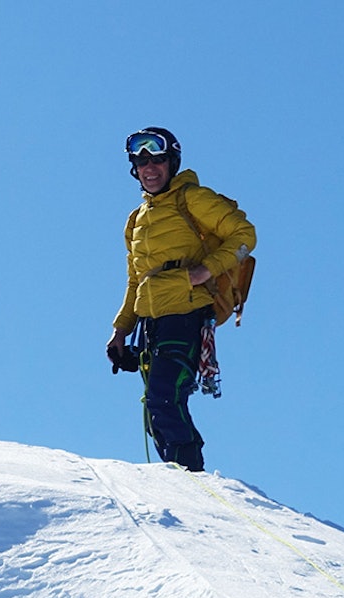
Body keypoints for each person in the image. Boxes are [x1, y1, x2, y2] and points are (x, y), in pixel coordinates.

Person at [106, 127, 257, 472]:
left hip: (187, 313)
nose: (150, 167)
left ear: (172, 162)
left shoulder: (191, 197)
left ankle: (191, 477)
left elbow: (245, 235)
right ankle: (175, 478)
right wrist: (120, 331)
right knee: (155, 407)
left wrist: (204, 271)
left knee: (164, 396)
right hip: (150, 323)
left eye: (158, 160)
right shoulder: (135, 221)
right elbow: (136, 281)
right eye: (142, 161)